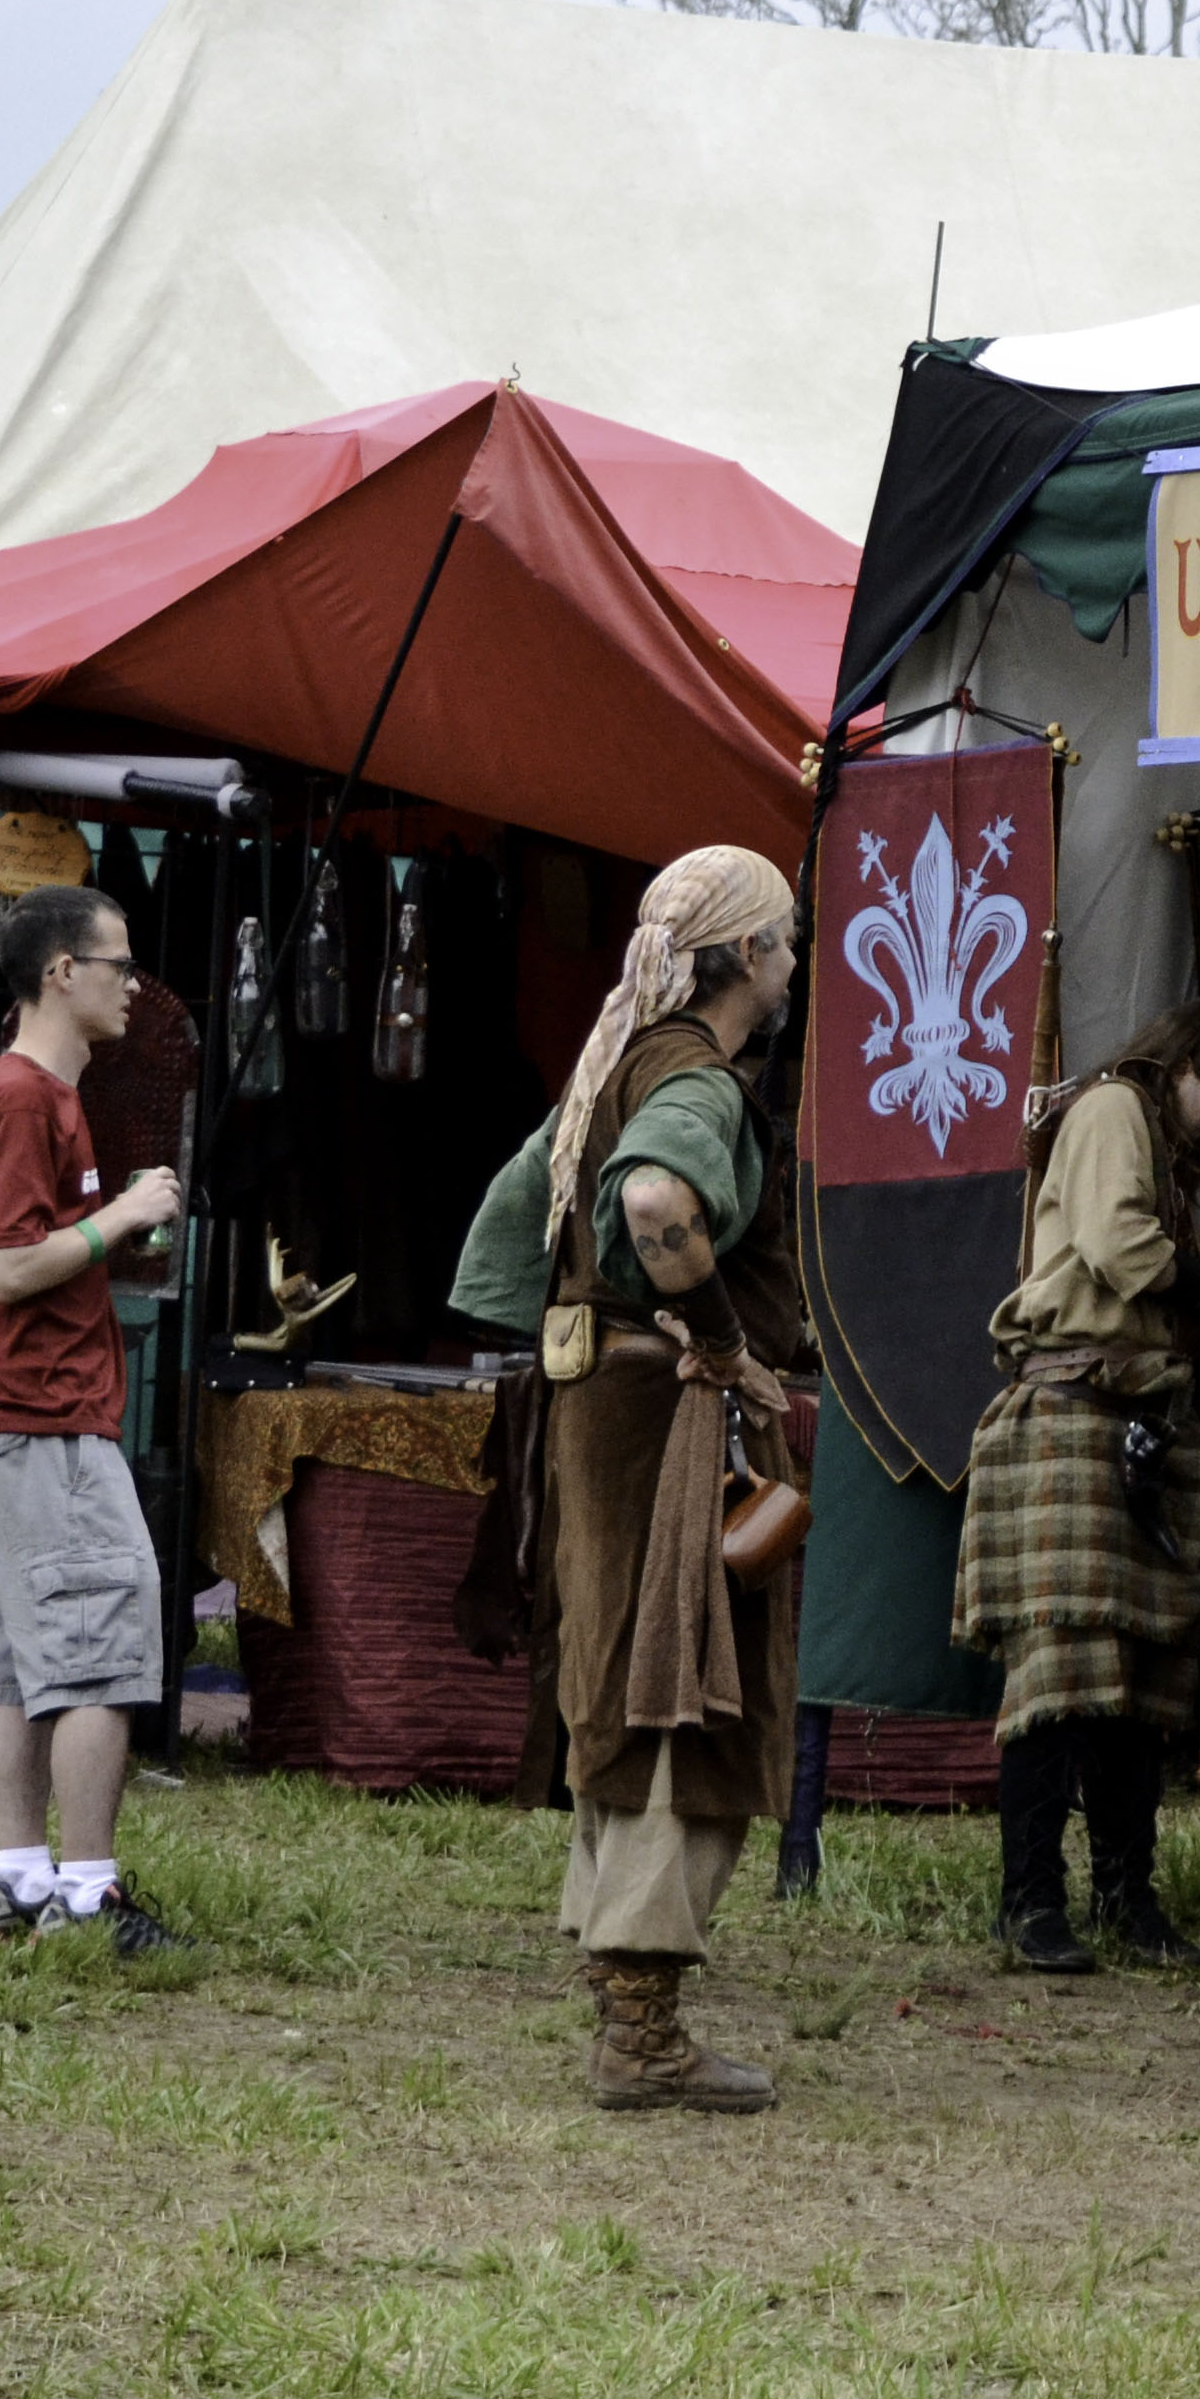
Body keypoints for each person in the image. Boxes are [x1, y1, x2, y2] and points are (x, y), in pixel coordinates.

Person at [454, 841, 813, 2109]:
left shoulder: (619, 1055)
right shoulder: (691, 1080)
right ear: (749, 955)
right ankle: (641, 2029)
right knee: (682, 1686)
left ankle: (625, 1990)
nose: (793, 959)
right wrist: (720, 1338)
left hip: (605, 1409)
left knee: (628, 1671)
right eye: (785, 939)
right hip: (666, 1419)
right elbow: (657, 1201)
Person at [954, 998, 1200, 1975]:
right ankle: (1030, 1905)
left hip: (1140, 1413)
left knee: (1140, 1678)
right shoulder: (1112, 1111)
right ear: (1185, 1066)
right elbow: (1116, 1247)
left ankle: (1128, 1901)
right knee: (1059, 1674)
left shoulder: (1166, 1148)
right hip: (1073, 1412)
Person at [0, 882, 188, 1953]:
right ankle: (89, 1897)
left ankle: (20, 1879)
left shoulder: (37, 1093)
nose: (132, 985)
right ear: (61, 973)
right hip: (45, 1417)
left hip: (13, 1414)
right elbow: (7, 1269)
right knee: (101, 1648)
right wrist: (121, 1217)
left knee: (13, 1659)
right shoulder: (23, 1098)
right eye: (118, 965)